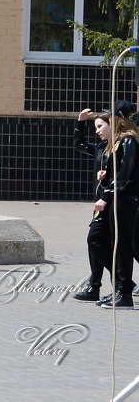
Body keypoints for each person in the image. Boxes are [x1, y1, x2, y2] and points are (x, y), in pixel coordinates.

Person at [71, 107, 125, 303]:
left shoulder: (122, 146)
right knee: (95, 243)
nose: (97, 130)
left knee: (96, 241)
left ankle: (122, 283)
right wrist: (80, 122)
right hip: (101, 204)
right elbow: (80, 145)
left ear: (113, 125)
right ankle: (95, 286)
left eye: (100, 126)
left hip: (112, 202)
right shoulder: (102, 147)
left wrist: (107, 176)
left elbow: (123, 175)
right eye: (96, 127)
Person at [93, 103, 138, 309]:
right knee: (116, 244)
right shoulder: (119, 142)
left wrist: (107, 195)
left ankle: (125, 293)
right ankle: (121, 289)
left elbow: (125, 173)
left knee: (122, 246)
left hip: (125, 200)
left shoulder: (128, 140)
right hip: (119, 199)